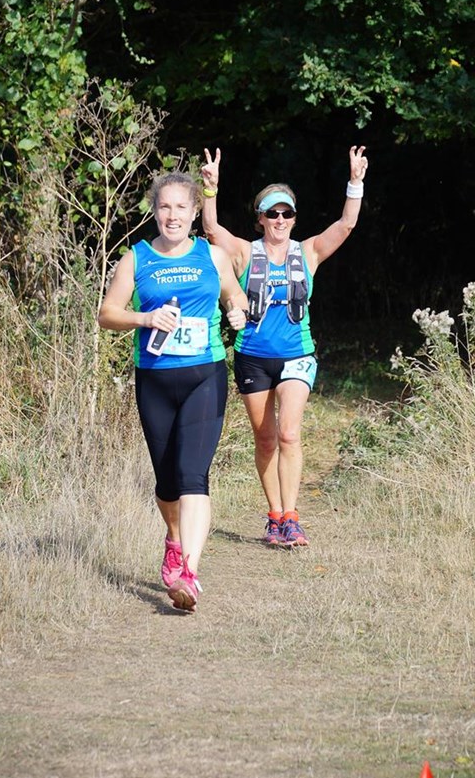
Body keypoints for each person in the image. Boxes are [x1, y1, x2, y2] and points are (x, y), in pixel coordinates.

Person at [200, 145, 369, 547]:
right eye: (272, 213)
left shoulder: (306, 252)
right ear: (260, 219)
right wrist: (210, 189)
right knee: (266, 438)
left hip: (297, 354)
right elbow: (211, 230)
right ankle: (274, 516)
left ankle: (292, 517)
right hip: (253, 357)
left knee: (290, 434)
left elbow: (345, 225)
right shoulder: (244, 252)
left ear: (294, 218)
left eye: (286, 213)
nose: (280, 219)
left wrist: (355, 183)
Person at [98, 171, 248, 612]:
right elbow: (108, 314)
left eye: (181, 207)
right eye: (164, 207)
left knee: (193, 476)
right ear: (154, 210)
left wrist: (237, 312)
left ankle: (188, 573)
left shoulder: (212, 255)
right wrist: (145, 320)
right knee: (166, 483)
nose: (172, 215)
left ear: (194, 212)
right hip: (155, 380)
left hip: (205, 374)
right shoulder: (137, 258)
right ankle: (173, 537)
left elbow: (234, 296)